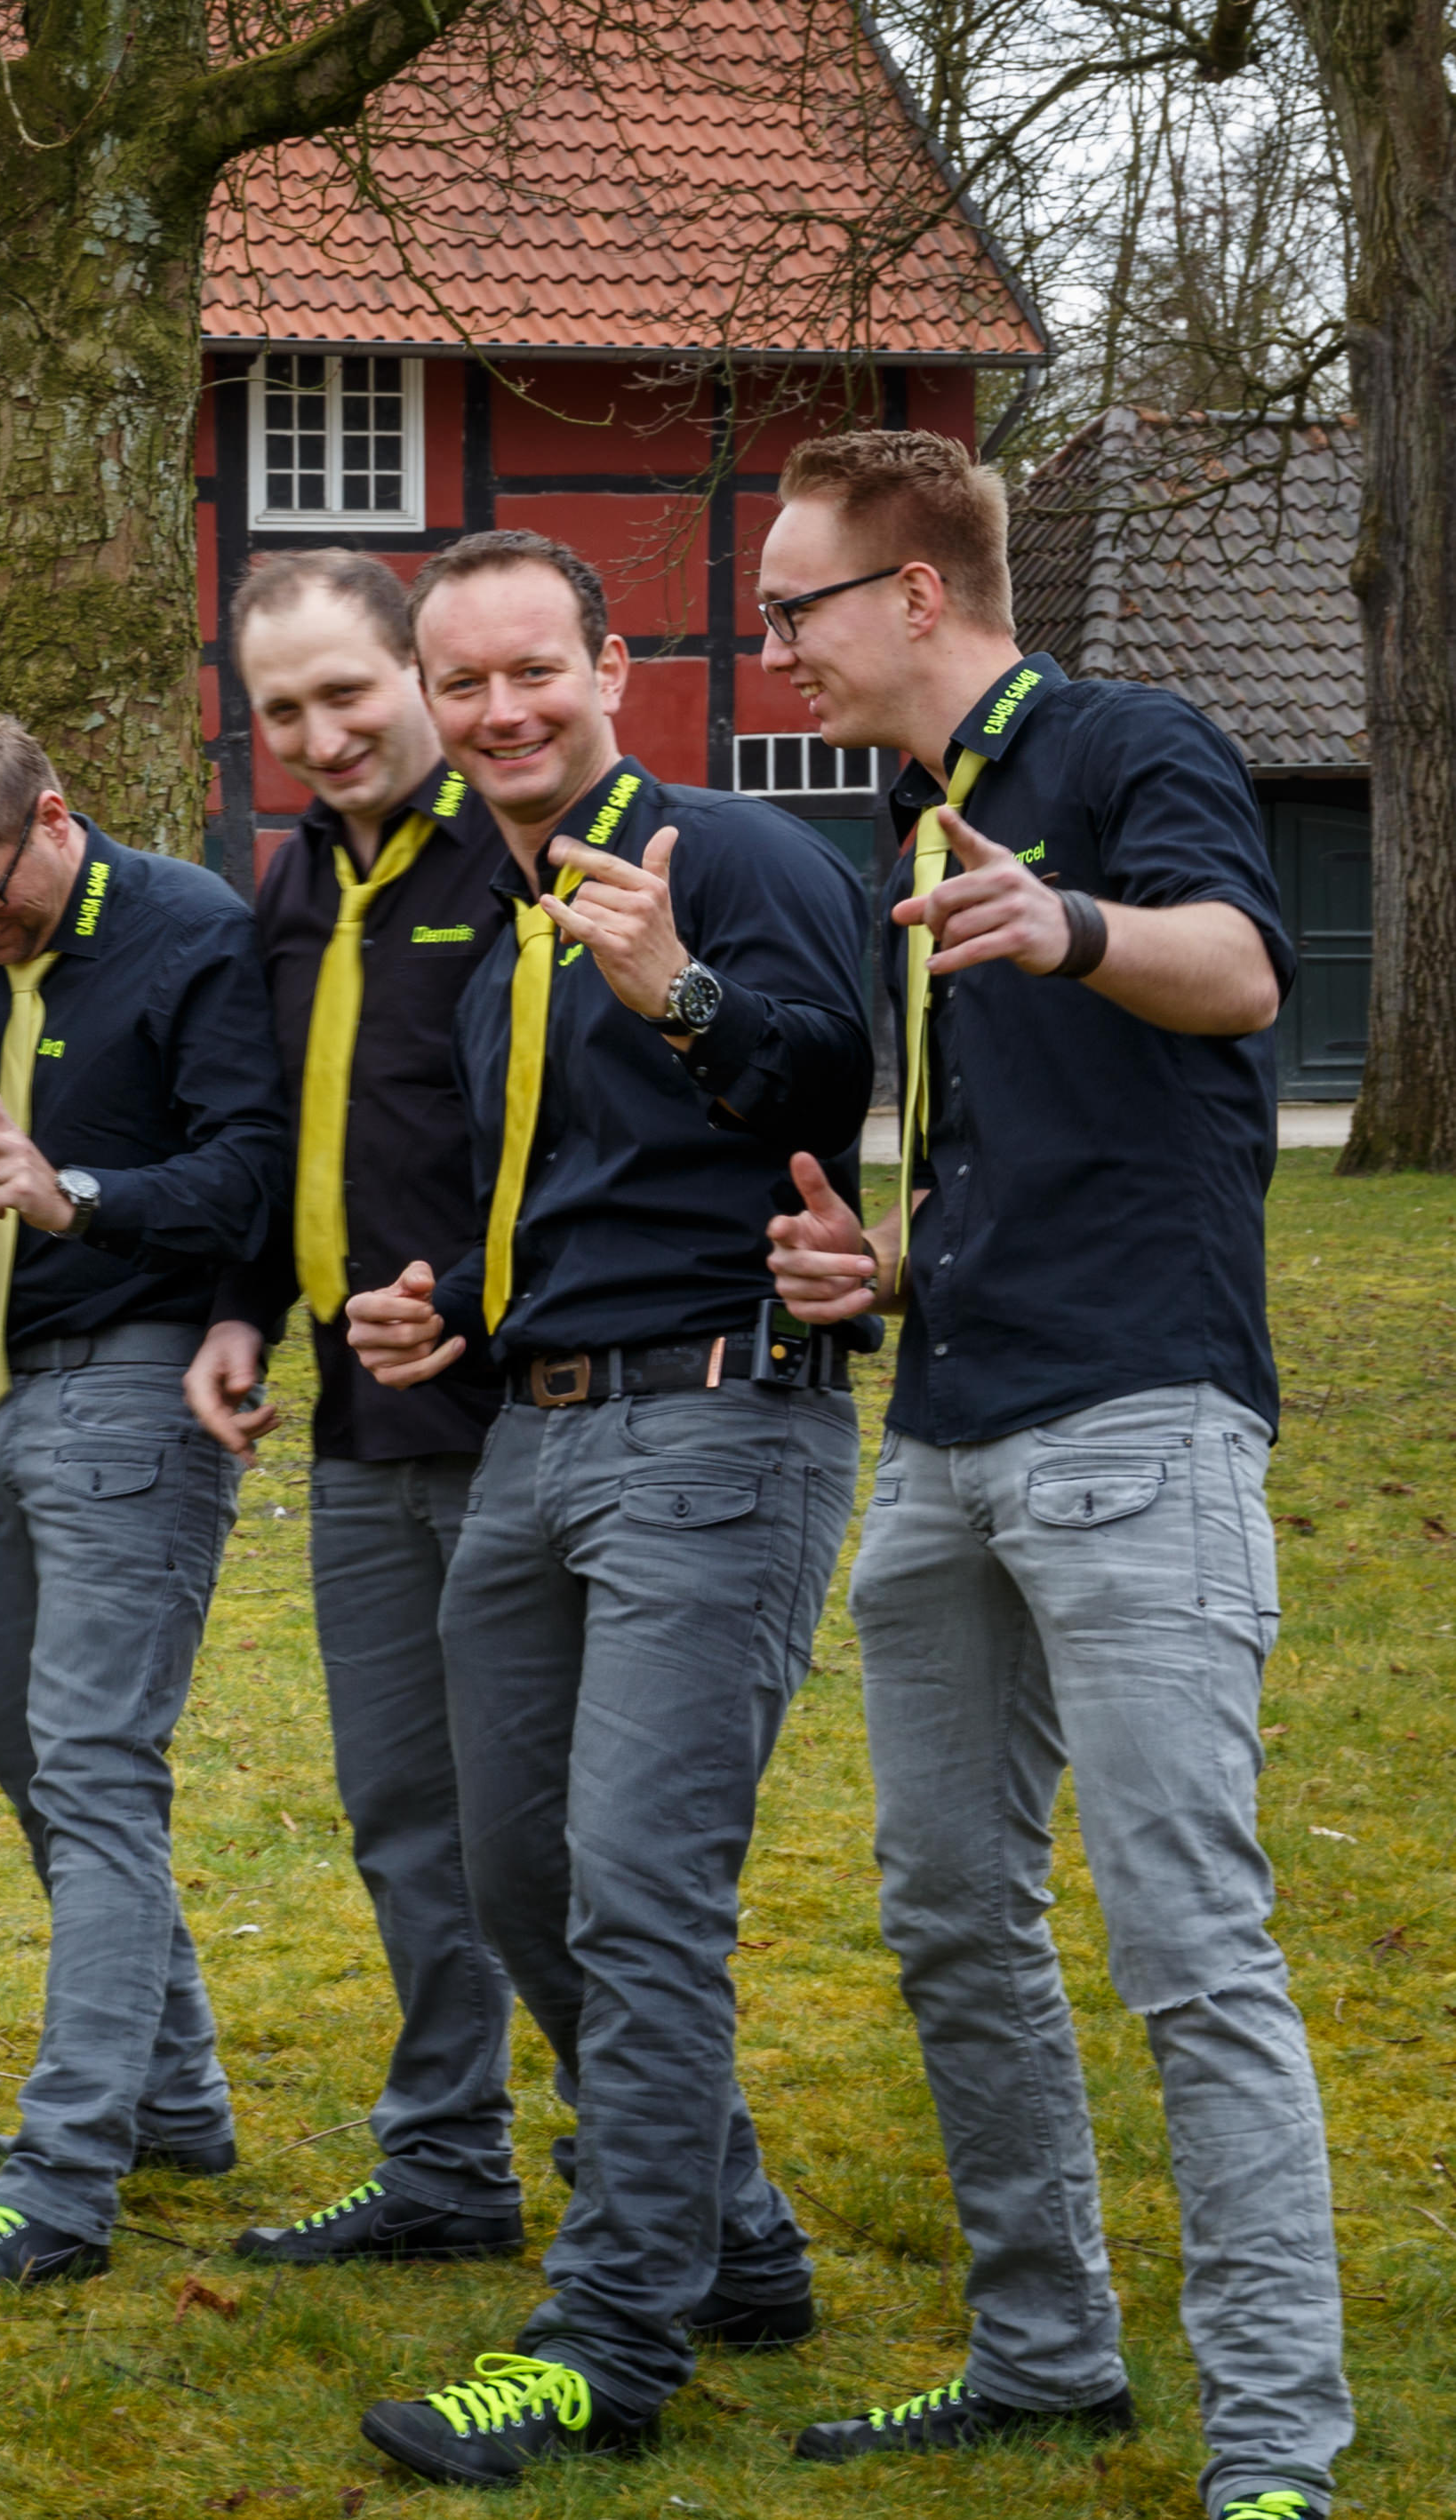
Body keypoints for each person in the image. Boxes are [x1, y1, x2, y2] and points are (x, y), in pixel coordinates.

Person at [753, 430, 1341, 2520]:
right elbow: (1037, 1151)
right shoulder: (919, 817)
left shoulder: (1122, 745)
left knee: (1189, 1943)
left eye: (795, 605)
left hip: (1135, 1424)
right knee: (946, 1914)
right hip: (943, 1432)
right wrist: (889, 1262)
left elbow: (1240, 972)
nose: (773, 644)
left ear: (915, 590)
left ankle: (1272, 2448)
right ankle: (1041, 2352)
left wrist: (1073, 918)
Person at [340, 528, 873, 2486]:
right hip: (537, 1437)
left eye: (532, 671)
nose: (499, 712)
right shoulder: (506, 932)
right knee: (515, 1885)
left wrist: (678, 989)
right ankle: (736, 2241)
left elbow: (826, 1089)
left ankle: (607, 2338)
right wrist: (453, 1318)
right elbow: (582, 1208)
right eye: (462, 684)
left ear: (613, 667)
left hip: (719, 1429)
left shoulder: (729, 859)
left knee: (641, 1893)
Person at [0, 705, 288, 2291]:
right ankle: (178, 2100)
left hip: (140, 1382)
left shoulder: (194, 933)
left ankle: (63, 2178)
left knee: (94, 1768)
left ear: (54, 815)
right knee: (41, 1766)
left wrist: (80, 1196)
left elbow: (255, 1170)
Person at [192, 552, 532, 2275]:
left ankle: (679, 2199)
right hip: (356, 1430)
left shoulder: (520, 851)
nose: (320, 735)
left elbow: (583, 1140)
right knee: (402, 1813)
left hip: (527, 1423)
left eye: (346, 693)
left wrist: (474, 1299)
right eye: (282, 710)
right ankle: (448, 2167)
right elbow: (292, 1130)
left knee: (544, 1841)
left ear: (417, 671)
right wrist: (243, 1309)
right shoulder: (299, 876)